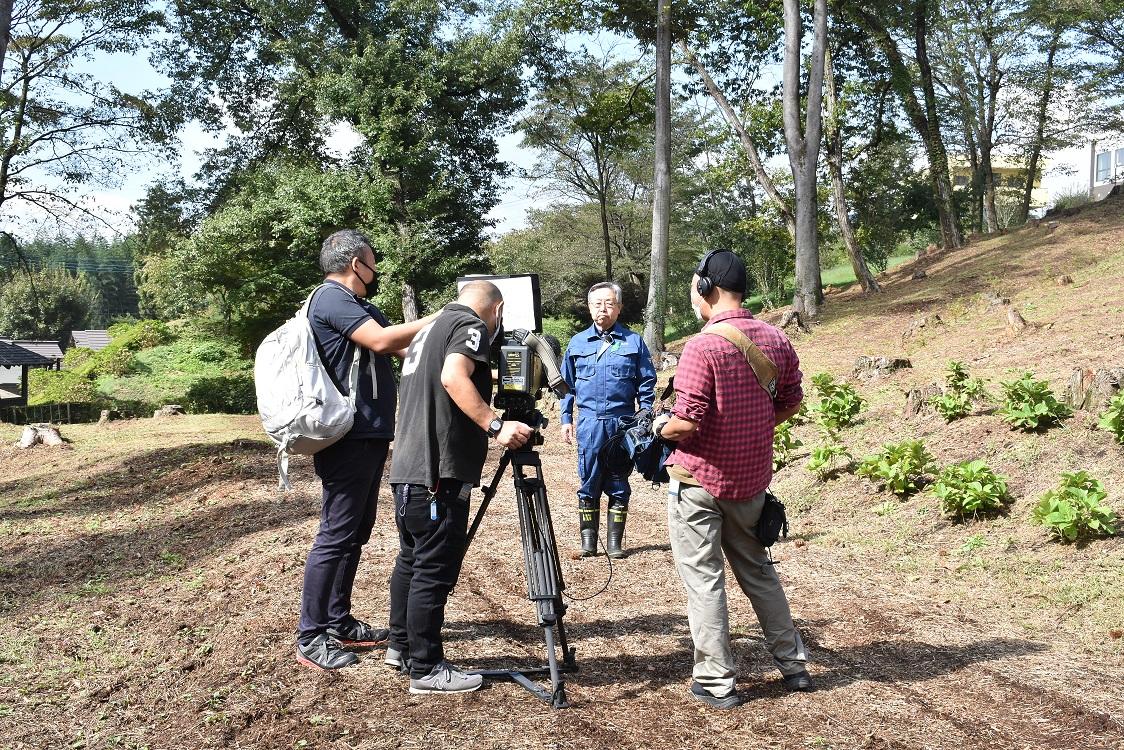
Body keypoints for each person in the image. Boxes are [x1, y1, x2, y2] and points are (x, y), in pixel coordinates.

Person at [655, 249, 813, 709]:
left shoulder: (701, 346)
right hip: (752, 482)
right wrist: (750, 430)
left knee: (705, 580)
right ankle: (794, 666)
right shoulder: (777, 339)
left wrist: (655, 426)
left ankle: (717, 680)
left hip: (698, 481)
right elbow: (791, 401)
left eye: (693, 289)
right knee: (759, 572)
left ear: (706, 290)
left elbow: (686, 424)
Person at [294, 229, 438, 671]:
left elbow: (399, 345)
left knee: (355, 532)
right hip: (347, 436)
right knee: (336, 533)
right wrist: (447, 315)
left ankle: (337, 620)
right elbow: (380, 341)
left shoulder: (360, 307)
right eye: (373, 263)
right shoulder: (331, 298)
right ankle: (310, 635)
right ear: (356, 263)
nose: (375, 272)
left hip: (369, 434)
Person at [385, 280, 533, 694]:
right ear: (496, 311)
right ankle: (426, 668)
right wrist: (496, 424)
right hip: (438, 475)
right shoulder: (469, 326)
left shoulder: (427, 331)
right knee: (433, 568)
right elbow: (454, 376)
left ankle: (402, 648)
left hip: (408, 470)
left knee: (412, 561)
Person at [560, 282, 656, 558]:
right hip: (589, 423)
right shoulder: (577, 343)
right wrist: (566, 418)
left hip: (622, 424)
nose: (603, 308)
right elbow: (566, 385)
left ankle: (615, 544)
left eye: (609, 303)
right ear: (590, 308)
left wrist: (645, 416)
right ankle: (588, 543)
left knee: (618, 481)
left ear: (619, 307)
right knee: (588, 480)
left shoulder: (633, 341)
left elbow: (646, 382)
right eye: (597, 303)